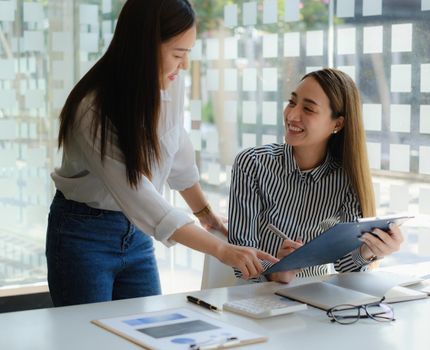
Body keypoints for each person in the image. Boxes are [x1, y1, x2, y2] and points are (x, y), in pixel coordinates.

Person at [46, 0, 276, 307]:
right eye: (178, 54)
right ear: (143, 47)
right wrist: (221, 251)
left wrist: (206, 215)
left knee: (145, 329)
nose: (183, 65)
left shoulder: (169, 84)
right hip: (84, 235)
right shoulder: (92, 109)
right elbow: (139, 195)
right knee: (90, 337)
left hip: (137, 233)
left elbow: (176, 151)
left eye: (187, 55)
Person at [228, 68, 404, 283]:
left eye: (308, 109)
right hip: (259, 298)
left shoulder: (347, 178)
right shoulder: (252, 164)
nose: (291, 115)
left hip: (318, 299)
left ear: (337, 124)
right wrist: (276, 271)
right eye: (292, 102)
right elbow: (240, 256)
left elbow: (344, 266)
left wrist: (371, 250)